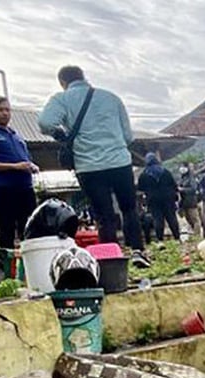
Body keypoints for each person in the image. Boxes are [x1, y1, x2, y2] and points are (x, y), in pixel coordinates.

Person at [38, 65, 147, 262]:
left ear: (63, 83)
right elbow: (128, 136)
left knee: (104, 215)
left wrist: (62, 135)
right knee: (129, 209)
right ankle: (138, 252)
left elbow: (46, 123)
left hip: (89, 167)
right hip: (119, 162)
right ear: (83, 77)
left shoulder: (61, 99)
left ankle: (111, 259)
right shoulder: (111, 98)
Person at [0, 95, 39, 248]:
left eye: (7, 110)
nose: (4, 113)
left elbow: (25, 160)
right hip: (4, 188)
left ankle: (29, 263)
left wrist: (32, 166)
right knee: (7, 227)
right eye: (0, 110)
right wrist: (14, 166)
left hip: (25, 187)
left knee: (30, 226)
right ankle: (5, 266)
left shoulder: (17, 136)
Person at [137, 153, 180, 242]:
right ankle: (177, 237)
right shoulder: (165, 171)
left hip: (153, 200)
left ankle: (160, 239)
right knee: (171, 217)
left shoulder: (144, 174)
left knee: (158, 219)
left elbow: (140, 188)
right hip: (168, 198)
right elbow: (174, 185)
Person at [178, 163, 203, 237]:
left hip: (191, 201)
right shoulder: (182, 178)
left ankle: (197, 235)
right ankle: (194, 232)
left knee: (195, 219)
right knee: (188, 219)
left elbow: (193, 189)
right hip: (184, 202)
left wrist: (182, 190)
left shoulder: (191, 178)